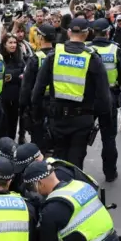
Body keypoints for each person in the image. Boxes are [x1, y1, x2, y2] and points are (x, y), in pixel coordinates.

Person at [31, 18, 112, 170]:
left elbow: (38, 90)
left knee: (58, 159)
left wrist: (37, 115)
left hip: (57, 118)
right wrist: (102, 118)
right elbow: (103, 96)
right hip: (82, 119)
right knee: (76, 160)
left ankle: (59, 188)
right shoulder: (93, 58)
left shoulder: (54, 55)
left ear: (68, 32)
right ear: (87, 34)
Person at [89, 18, 121, 182]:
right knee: (108, 138)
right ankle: (110, 173)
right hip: (109, 98)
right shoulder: (115, 50)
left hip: (89, 100)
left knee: (81, 139)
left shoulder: (87, 50)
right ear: (108, 32)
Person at [20, 24, 55, 154]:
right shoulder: (59, 56)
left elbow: (26, 87)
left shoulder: (35, 58)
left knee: (38, 140)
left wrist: (23, 107)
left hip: (38, 104)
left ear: (40, 37)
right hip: (55, 102)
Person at [1, 33, 25, 142]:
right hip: (3, 98)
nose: (13, 45)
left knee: (13, 124)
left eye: (15, 42)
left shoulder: (19, 59)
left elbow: (24, 74)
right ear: (4, 45)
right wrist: (15, 76)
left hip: (16, 98)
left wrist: (11, 76)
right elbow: (5, 76)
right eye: (10, 42)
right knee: (4, 126)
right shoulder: (0, 59)